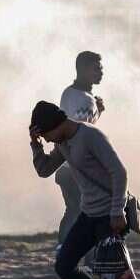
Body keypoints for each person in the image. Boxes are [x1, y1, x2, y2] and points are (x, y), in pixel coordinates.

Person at [29, 101, 129, 279]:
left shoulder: (90, 135)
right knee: (64, 266)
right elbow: (44, 170)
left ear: (55, 124)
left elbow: (120, 172)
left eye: (47, 134)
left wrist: (117, 211)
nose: (49, 140)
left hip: (108, 215)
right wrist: (35, 145)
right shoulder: (62, 143)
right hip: (88, 215)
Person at [55, 51, 106, 243]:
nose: (101, 72)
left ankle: (66, 252)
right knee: (80, 211)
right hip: (76, 167)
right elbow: (80, 133)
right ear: (83, 69)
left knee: (75, 210)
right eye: (97, 68)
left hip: (69, 165)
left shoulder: (72, 94)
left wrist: (97, 111)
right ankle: (69, 253)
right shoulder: (81, 98)